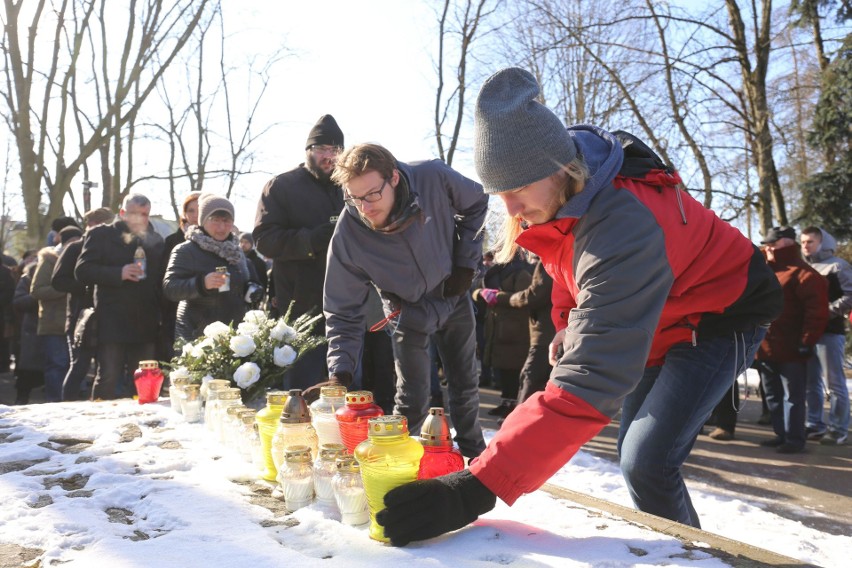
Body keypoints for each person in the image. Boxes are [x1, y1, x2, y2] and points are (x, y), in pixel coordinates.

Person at [374, 67, 783, 546]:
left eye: (516, 189)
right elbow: (566, 268)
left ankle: (692, 558)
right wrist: (569, 323)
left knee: (646, 460)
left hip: (720, 313)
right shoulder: (565, 204)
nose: (508, 208)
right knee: (638, 462)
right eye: (497, 193)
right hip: (662, 320)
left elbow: (592, 379)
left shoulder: (623, 224)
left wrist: (477, 488)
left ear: (557, 170)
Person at [320, 142, 488, 458]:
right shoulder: (348, 235)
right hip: (405, 310)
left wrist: (466, 264)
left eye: (372, 194)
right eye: (354, 198)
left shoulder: (432, 176)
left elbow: (477, 201)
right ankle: (401, 465)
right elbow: (342, 308)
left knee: (465, 387)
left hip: (452, 293)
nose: (365, 207)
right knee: (411, 398)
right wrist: (340, 368)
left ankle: (474, 457)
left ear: (394, 178)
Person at [253, 114, 345, 388]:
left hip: (346, 305)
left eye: (335, 150)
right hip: (300, 306)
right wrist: (311, 240)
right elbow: (264, 240)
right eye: (321, 150)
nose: (328, 157)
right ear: (308, 152)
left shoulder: (351, 188)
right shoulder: (281, 186)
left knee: (344, 390)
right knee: (300, 388)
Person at [75, 194, 164, 400]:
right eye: (134, 214)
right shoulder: (101, 235)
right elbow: (82, 271)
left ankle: (143, 425)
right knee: (108, 377)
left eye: (144, 214)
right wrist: (118, 273)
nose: (139, 219)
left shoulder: (156, 240)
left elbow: (160, 280)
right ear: (122, 213)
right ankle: (99, 424)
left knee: (143, 381)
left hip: (145, 321)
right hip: (112, 320)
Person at [755, 226, 828, 453]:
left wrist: (806, 342)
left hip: (792, 350)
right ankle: (781, 434)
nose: (768, 247)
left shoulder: (805, 274)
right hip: (766, 348)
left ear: (787, 243)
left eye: (773, 243)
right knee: (773, 395)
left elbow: (816, 312)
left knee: (793, 397)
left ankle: (794, 439)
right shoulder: (766, 271)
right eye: (767, 243)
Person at [163, 194, 251, 342]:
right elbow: (170, 288)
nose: (222, 227)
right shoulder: (186, 250)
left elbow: (245, 281)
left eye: (226, 221)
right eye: (215, 220)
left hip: (233, 334)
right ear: (202, 221)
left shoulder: (236, 252)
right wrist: (201, 284)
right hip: (196, 334)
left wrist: (252, 288)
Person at [52, 208, 115, 401]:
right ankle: (67, 407)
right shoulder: (75, 248)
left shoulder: (113, 248)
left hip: (106, 316)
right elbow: (58, 280)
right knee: (79, 366)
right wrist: (87, 285)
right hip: (81, 317)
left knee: (106, 368)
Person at [801, 226, 852, 445]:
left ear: (823, 242)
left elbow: (850, 296)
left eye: (810, 242)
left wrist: (825, 313)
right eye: (802, 242)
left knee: (835, 383)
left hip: (830, 333)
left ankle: (838, 428)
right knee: (811, 383)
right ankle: (814, 425)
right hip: (808, 333)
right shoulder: (802, 267)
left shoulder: (838, 266)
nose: (805, 246)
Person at [472, 251, 532, 418]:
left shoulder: (522, 273)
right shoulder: (496, 272)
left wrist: (498, 297)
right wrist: (481, 294)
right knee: (503, 367)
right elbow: (477, 289)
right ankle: (505, 401)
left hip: (515, 330)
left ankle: (513, 404)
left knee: (513, 369)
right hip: (497, 326)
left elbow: (525, 298)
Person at [30, 226, 82, 402]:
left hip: (75, 322)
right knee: (57, 366)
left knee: (74, 366)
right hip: (53, 323)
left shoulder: (81, 258)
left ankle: (71, 403)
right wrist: (65, 288)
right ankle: (54, 402)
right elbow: (37, 290)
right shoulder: (48, 260)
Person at [508, 256, 555, 404]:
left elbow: (536, 295)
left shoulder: (549, 259)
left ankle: (519, 426)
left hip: (546, 334)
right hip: (556, 332)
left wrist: (507, 298)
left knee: (529, 382)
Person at [160, 192, 201, 360]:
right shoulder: (173, 241)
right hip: (177, 309)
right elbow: (163, 279)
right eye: (191, 210)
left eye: (200, 209)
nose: (195, 215)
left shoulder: (222, 242)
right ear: (184, 214)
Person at [12, 255, 42, 404]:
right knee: (27, 372)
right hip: (32, 330)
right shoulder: (27, 278)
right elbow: (18, 302)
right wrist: (37, 296)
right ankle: (21, 400)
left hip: (55, 329)